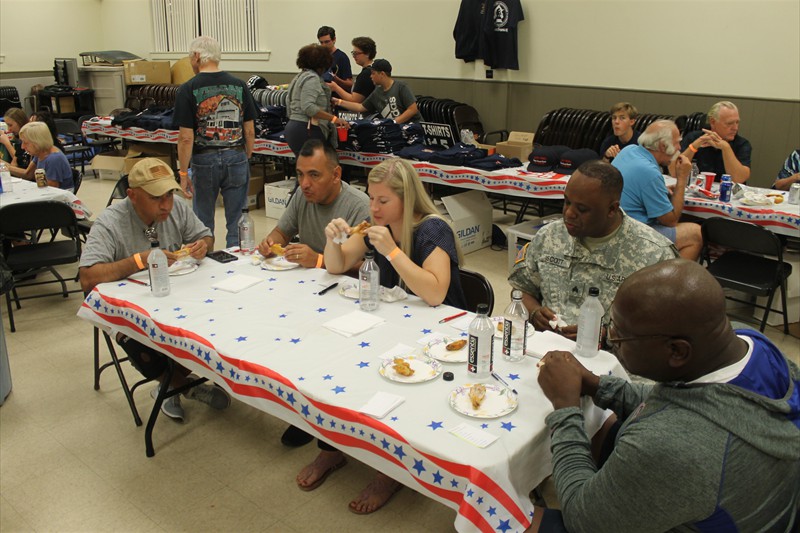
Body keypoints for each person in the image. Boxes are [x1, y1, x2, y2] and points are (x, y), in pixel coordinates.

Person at [526, 259, 800, 532]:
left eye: (619, 338)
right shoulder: (751, 344)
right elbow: (686, 400)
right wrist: (598, 384)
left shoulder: (675, 446)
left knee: (494, 514)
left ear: (678, 351)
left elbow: (581, 520)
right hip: (747, 504)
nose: (611, 340)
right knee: (601, 423)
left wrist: (565, 407)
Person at [292, 157, 465, 515]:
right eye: (371, 198)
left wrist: (393, 251)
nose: (373, 207)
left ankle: (390, 471)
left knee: (388, 382)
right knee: (336, 359)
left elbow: (434, 293)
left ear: (408, 199)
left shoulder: (432, 230)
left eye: (383, 200)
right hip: (395, 325)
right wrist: (335, 240)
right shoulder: (377, 224)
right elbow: (337, 266)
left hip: (439, 337)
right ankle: (331, 447)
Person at [79, 158, 230, 422]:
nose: (166, 205)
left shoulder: (177, 209)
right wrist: (139, 260)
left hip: (174, 297)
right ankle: (181, 384)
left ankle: (172, 383)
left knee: (214, 315)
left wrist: (202, 246)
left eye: (170, 194)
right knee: (139, 340)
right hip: (126, 307)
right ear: (132, 196)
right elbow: (88, 278)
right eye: (156, 197)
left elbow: (206, 236)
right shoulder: (110, 222)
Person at [509, 160, 678, 340]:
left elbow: (665, 328)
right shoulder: (549, 237)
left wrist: (607, 336)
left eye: (582, 209)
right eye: (567, 202)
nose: (569, 213)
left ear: (612, 209)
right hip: (545, 350)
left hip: (610, 361)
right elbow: (521, 290)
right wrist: (534, 312)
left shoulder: (654, 254)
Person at [174, 35, 257, 248]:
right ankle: (237, 264)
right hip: (236, 155)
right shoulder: (239, 86)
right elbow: (249, 130)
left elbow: (185, 138)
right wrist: (245, 156)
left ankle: (205, 261)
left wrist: (183, 173)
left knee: (202, 221)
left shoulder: (187, 89)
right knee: (238, 218)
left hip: (204, 159)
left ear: (196, 56)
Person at [257, 139, 370, 268]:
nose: (304, 184)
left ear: (336, 175)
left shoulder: (360, 206)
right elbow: (282, 233)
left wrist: (318, 260)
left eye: (314, 175)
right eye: (300, 174)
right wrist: (270, 245)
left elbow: (369, 267)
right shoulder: (302, 195)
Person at [612, 120, 703, 261]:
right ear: (662, 145)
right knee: (696, 233)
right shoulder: (649, 172)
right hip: (631, 236)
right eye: (677, 142)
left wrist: (660, 189)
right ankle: (672, 281)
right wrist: (682, 180)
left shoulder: (628, 150)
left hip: (613, 227)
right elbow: (670, 221)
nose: (679, 147)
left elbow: (636, 187)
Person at [284, 44, 351, 157]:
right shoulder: (312, 79)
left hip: (293, 127)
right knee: (321, 168)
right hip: (307, 130)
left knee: (306, 169)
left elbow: (288, 101)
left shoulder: (299, 77)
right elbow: (309, 107)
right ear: (322, 64)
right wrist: (335, 119)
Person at [681, 101, 751, 183]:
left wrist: (726, 148)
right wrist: (694, 146)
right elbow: (675, 172)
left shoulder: (742, 144)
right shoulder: (693, 138)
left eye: (737, 122)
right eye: (729, 123)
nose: (735, 128)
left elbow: (739, 179)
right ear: (713, 122)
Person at [333, 59, 422, 124]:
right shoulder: (377, 92)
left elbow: (412, 109)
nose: (371, 76)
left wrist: (394, 122)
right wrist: (339, 102)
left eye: (373, 73)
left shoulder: (401, 87)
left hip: (413, 128)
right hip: (395, 131)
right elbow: (360, 107)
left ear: (382, 74)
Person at [17, 122, 73, 190]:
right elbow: (28, 174)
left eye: (25, 143)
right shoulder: (39, 153)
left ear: (37, 142)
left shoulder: (54, 159)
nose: (22, 147)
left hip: (58, 197)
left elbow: (51, 190)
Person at [327, 36, 377, 104]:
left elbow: (355, 100)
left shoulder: (366, 74)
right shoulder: (371, 70)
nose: (354, 56)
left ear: (367, 54)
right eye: (353, 53)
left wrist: (335, 87)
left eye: (356, 53)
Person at [317, 26, 353, 92]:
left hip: (336, 98)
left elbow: (350, 84)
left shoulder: (342, 57)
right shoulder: (318, 57)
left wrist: (336, 79)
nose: (324, 45)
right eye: (321, 42)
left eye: (327, 42)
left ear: (334, 39)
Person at [2, 107, 30, 176]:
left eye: (10, 125)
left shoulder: (30, 139)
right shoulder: (18, 139)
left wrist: (7, 144)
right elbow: (14, 165)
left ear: (20, 122)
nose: (9, 129)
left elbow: (27, 173)